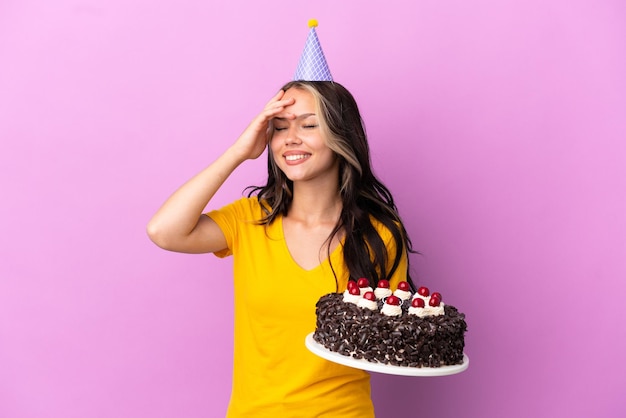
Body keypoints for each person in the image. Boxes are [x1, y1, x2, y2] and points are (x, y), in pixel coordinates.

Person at [147, 22, 415, 418]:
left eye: (309, 126)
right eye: (280, 128)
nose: (291, 138)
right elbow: (163, 231)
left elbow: (394, 337)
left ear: (342, 137)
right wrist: (240, 151)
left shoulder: (380, 234)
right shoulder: (250, 221)